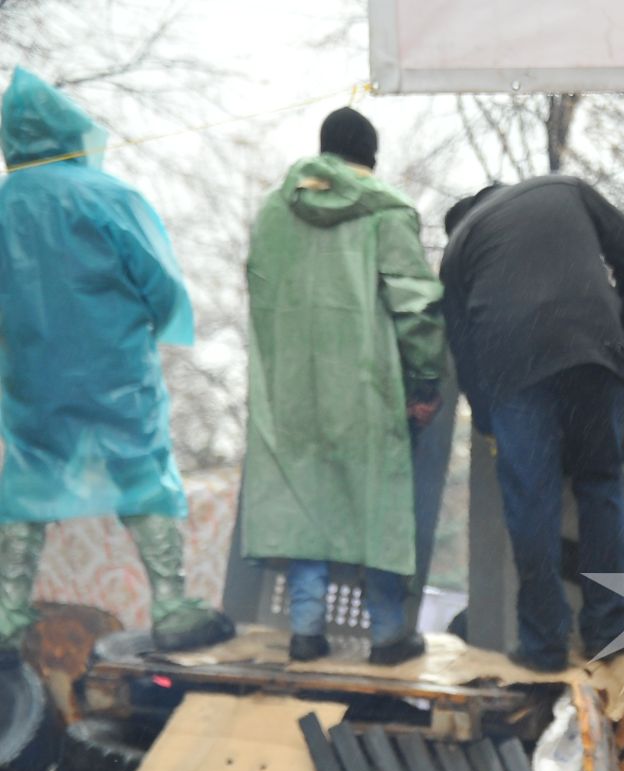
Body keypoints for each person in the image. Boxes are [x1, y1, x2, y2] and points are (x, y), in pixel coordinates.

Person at [0, 69, 232, 663]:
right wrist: (158, 325)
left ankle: (7, 609)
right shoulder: (110, 198)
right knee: (142, 472)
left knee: (28, 478)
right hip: (114, 369)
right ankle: (172, 604)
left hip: (30, 373)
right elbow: (161, 283)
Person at [241, 106, 447, 664]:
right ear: (370, 160)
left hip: (290, 384)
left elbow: (258, 294)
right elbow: (415, 303)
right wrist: (426, 378)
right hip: (365, 383)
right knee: (375, 500)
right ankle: (386, 636)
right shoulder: (388, 212)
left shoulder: (273, 213)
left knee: (307, 498)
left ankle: (306, 631)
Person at [439, 176, 624, 671]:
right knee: (600, 486)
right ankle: (608, 632)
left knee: (530, 504)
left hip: (515, 366)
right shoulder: (563, 189)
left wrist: (489, 421)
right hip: (592, 351)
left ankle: (544, 643)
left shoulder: (457, 248)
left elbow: (463, 349)